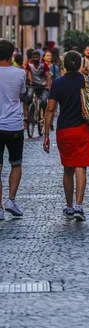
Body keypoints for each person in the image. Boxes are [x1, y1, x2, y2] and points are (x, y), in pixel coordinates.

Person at [43, 51, 89, 221]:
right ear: (79, 65)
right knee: (81, 167)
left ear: (64, 65)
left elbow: (50, 109)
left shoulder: (57, 83)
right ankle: (79, 206)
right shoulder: (87, 81)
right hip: (84, 129)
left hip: (65, 130)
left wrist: (46, 133)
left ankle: (69, 207)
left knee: (68, 168)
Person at [0, 39, 26, 220]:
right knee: (15, 163)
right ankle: (11, 200)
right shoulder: (20, 73)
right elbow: (21, 93)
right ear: (12, 55)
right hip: (14, 124)